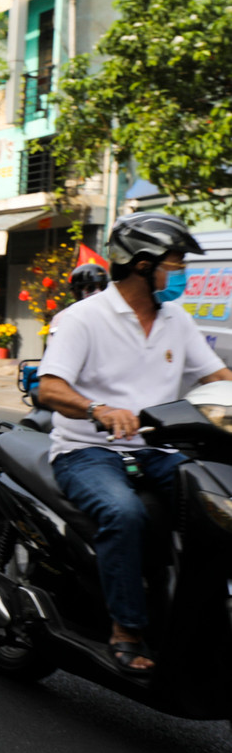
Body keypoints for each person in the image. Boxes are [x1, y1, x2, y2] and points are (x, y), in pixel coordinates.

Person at [37, 213, 232, 673]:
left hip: (159, 449)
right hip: (86, 451)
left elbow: (218, 377)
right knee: (123, 514)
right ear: (142, 265)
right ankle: (125, 628)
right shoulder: (82, 318)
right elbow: (50, 388)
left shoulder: (177, 321)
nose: (181, 274)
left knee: (217, 503)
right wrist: (97, 410)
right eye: (175, 264)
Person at [46, 262, 110, 337]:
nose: (98, 292)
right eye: (91, 288)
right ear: (76, 292)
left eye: (103, 287)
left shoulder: (112, 316)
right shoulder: (63, 318)